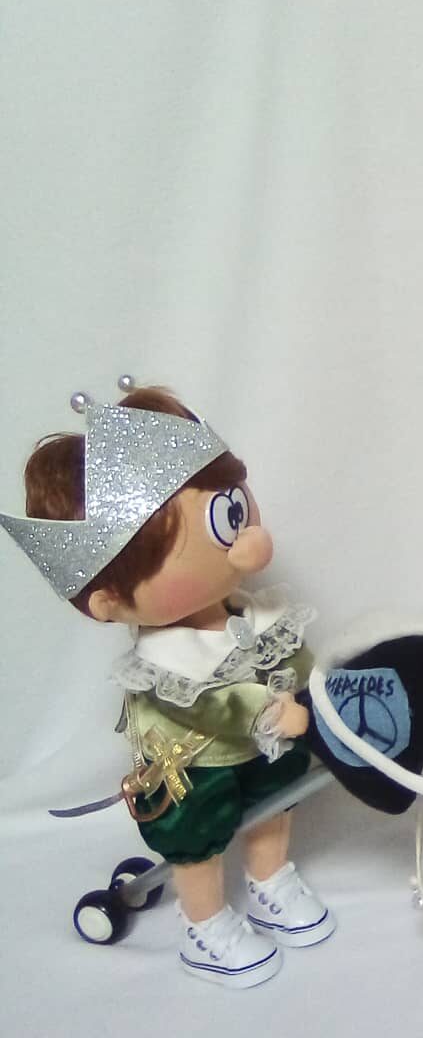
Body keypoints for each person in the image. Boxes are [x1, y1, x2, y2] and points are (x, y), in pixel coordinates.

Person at [1, 380, 333, 988]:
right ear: (109, 602)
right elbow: (209, 706)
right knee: (197, 842)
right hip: (193, 765)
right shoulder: (165, 662)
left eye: (234, 511)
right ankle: (204, 924)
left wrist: (315, 685)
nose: (250, 541)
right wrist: (269, 710)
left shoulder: (254, 614)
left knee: (275, 801)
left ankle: (269, 880)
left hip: (267, 742)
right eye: (221, 526)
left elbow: (292, 654)